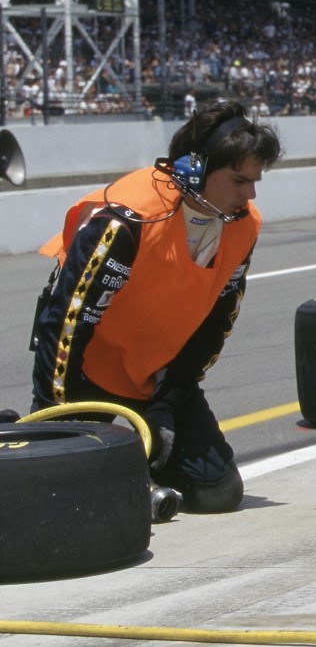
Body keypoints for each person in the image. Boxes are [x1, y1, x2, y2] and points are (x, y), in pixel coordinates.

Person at [30, 101, 283, 513]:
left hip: (153, 379)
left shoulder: (244, 225)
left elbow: (217, 322)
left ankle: (140, 467)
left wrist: (170, 397)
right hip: (83, 375)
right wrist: (56, 415)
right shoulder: (126, 218)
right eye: (239, 180)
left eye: (255, 181)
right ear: (195, 169)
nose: (250, 193)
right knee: (61, 496)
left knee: (218, 493)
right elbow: (66, 323)